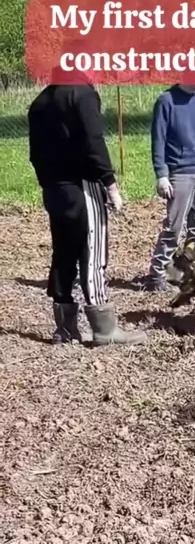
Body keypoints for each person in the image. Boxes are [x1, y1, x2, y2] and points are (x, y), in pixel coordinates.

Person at [27, 69, 147, 346]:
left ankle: (65, 328)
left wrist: (48, 181)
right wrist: (110, 184)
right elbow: (93, 141)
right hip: (82, 186)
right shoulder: (81, 94)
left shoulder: (40, 101)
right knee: (92, 251)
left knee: (63, 252)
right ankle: (104, 328)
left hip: (54, 188)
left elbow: (34, 153)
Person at [143, 82, 195, 292]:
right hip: (180, 173)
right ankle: (157, 275)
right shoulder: (166, 101)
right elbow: (158, 140)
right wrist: (162, 175)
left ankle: (183, 272)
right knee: (173, 228)